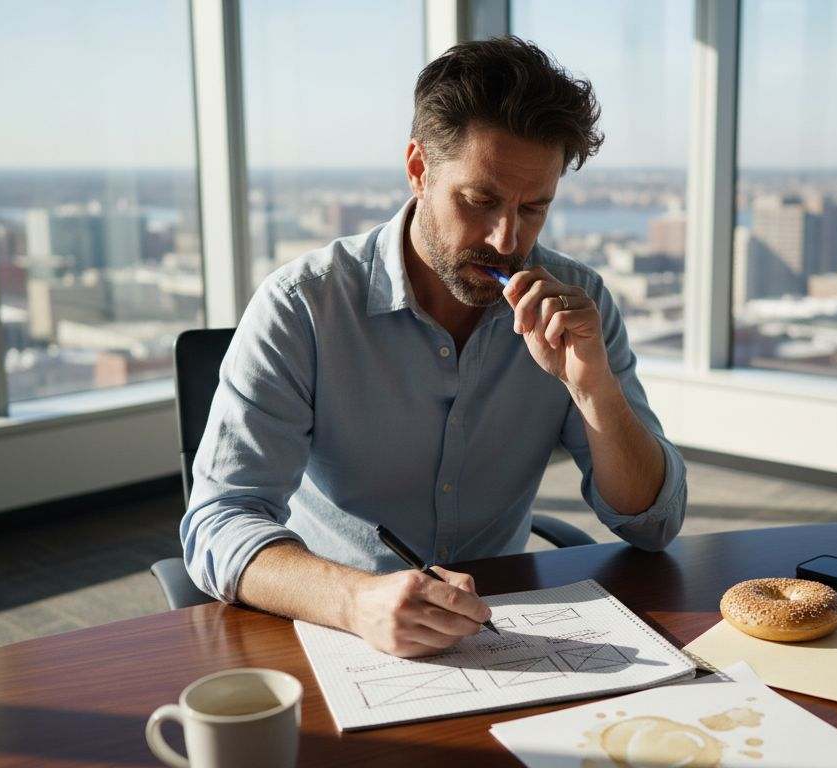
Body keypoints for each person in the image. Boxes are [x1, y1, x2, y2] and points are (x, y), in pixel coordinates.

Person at [182, 36, 686, 658]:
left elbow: (653, 524)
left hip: (502, 629)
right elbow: (218, 523)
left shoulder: (578, 302)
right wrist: (356, 600)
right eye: (480, 201)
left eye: (535, 207)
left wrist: (594, 390)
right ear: (419, 169)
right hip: (336, 629)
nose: (507, 239)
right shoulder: (302, 306)